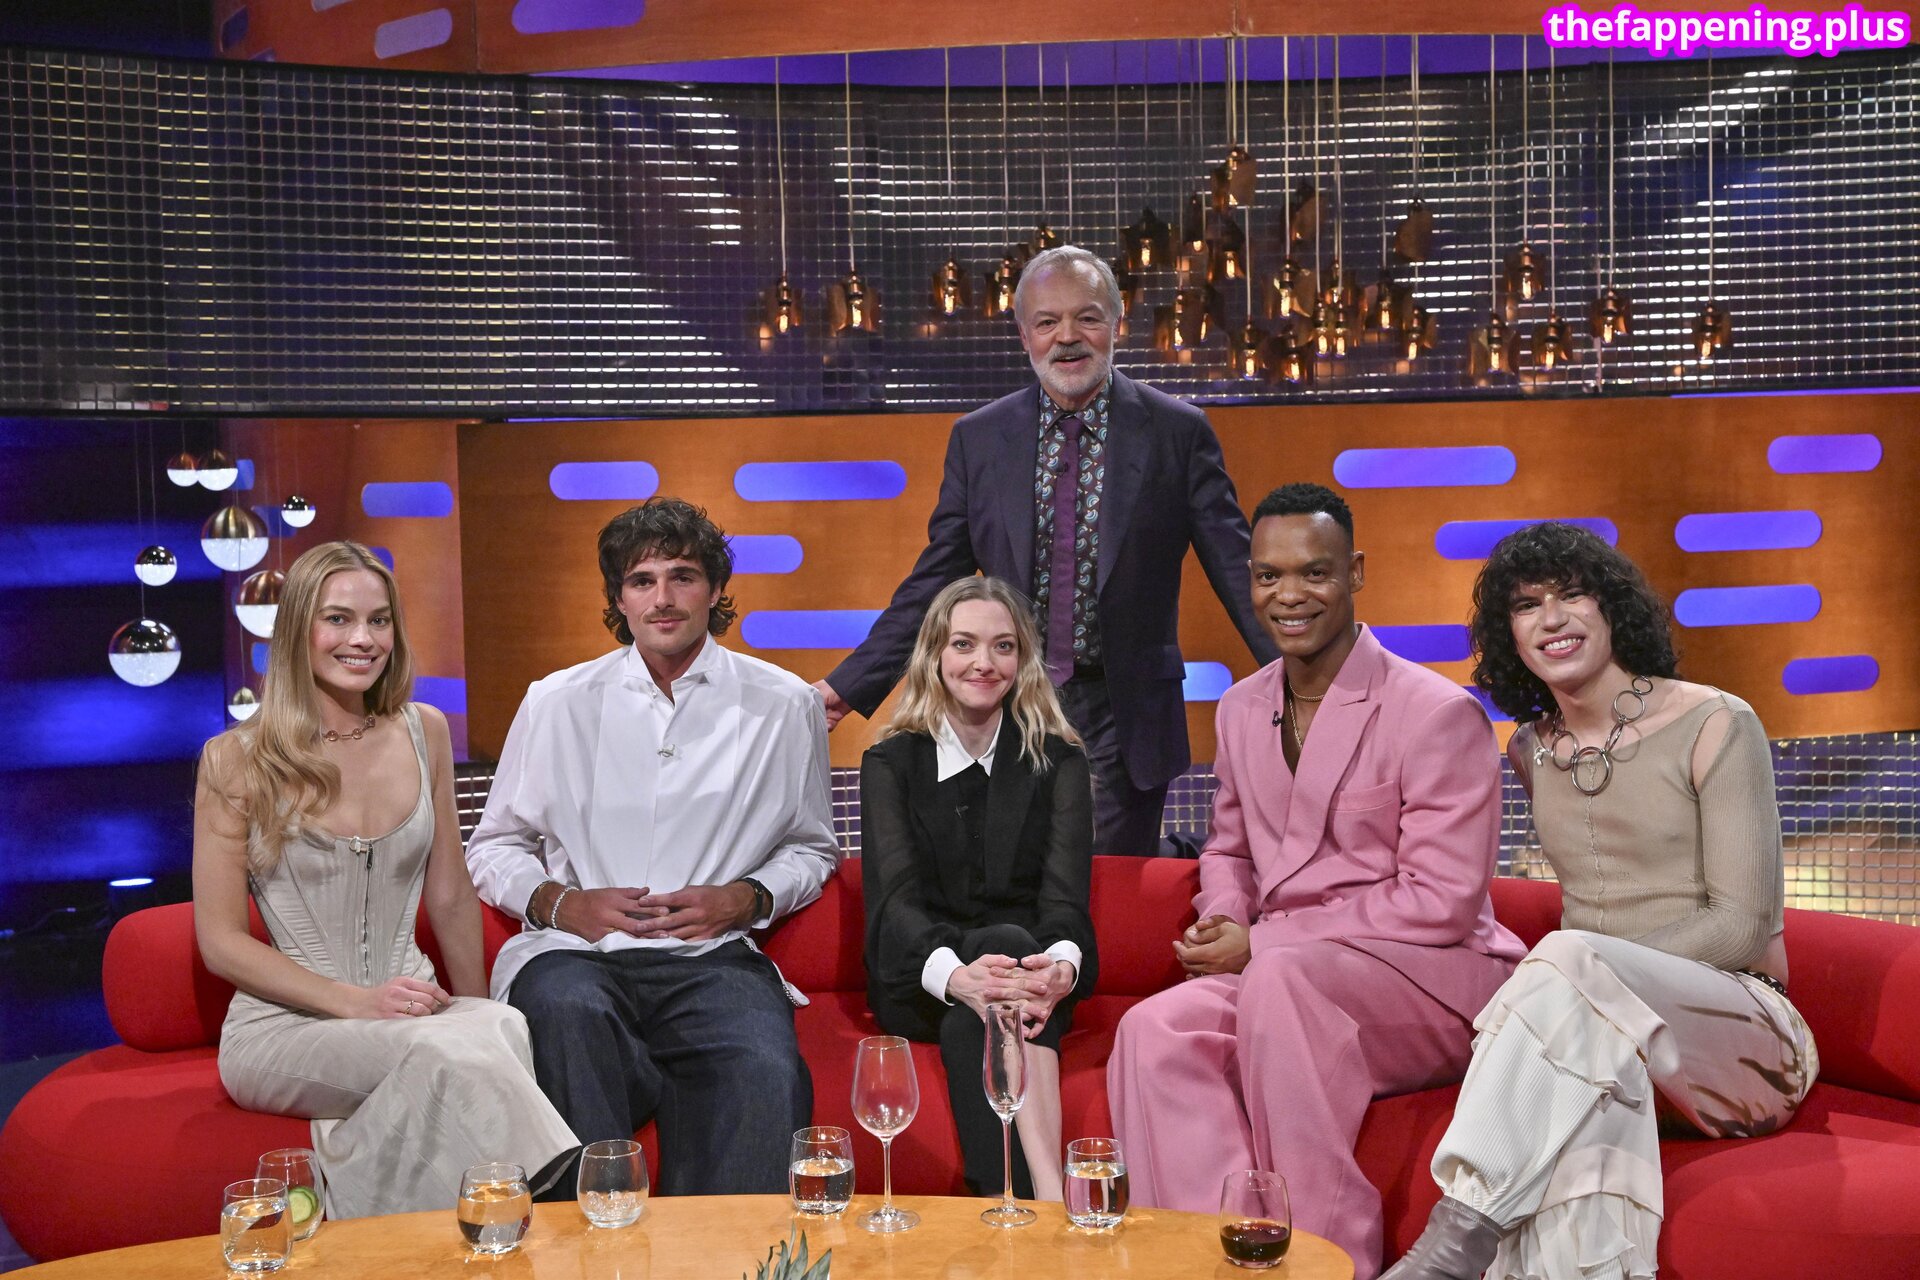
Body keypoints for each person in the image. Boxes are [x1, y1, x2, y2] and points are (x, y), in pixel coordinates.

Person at [1107, 483, 1525, 1279]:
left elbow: (1440, 902)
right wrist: (1224, 916)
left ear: (1355, 572)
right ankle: (1218, 1260)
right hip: (1288, 972)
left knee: (1283, 985)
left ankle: (1330, 1262)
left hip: (1435, 978)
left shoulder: (1435, 712)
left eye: (1314, 572)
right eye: (1269, 576)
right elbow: (1229, 850)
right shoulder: (1240, 708)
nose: (1289, 595)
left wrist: (1262, 943)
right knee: (1153, 1031)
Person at [1380, 522, 1818, 1280]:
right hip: (1607, 1043)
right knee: (1587, 1117)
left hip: (1744, 1043)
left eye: (1573, 595)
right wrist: (1578, 986)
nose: (1552, 618)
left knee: (1566, 964)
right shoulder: (1529, 748)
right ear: (1510, 636)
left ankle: (1450, 1245)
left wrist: (1576, 974)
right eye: (1527, 606)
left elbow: (1742, 927)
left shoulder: (1715, 721)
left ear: (1612, 608)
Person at [815, 244, 1278, 855]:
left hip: (1125, 713)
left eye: (1087, 318)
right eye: (1047, 322)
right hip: (1008, 705)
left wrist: (1308, 676)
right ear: (1023, 335)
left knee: (1102, 884)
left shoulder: (1177, 431)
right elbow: (935, 582)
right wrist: (846, 687)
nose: (1067, 337)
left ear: (1117, 324)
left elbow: (1236, 570)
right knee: (1011, 879)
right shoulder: (979, 439)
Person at [465, 497, 839, 1195]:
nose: (662, 598)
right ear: (619, 598)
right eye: (642, 581)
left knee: (766, 1067)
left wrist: (746, 898)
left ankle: (734, 1252)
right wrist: (560, 903)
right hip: (576, 956)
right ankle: (593, 1241)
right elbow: (494, 846)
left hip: (713, 960)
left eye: (682, 576)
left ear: (716, 590)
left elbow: (813, 849)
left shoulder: (784, 703)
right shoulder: (555, 700)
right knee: (566, 1012)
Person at [195, 541, 576, 1219]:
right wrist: (352, 1002)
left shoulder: (424, 731)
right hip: (287, 1027)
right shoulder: (235, 760)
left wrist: (474, 1011)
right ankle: (564, 1210)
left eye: (379, 620)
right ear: (298, 628)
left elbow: (450, 895)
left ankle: (367, 1221)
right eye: (338, 619)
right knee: (446, 1050)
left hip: (412, 1010)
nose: (363, 639)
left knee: (503, 1025)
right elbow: (220, 942)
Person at [859, 576, 1098, 1201]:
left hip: (1029, 981)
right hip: (923, 979)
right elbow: (896, 903)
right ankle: (1047, 1195)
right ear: (935, 655)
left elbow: (1065, 902)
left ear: (1023, 661)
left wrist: (1061, 969)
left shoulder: (1058, 761)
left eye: (1003, 646)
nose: (983, 663)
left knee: (1005, 964)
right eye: (964, 644)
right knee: (1002, 955)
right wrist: (958, 977)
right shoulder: (891, 763)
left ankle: (1006, 1203)